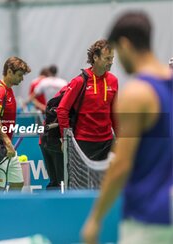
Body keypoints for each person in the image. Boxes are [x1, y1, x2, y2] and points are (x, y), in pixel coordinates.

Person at [82, 12, 173, 244]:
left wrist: (95, 217)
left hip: (147, 219)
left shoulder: (136, 93)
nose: (116, 61)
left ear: (125, 44)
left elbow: (122, 164)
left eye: (116, 52)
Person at [56, 39, 118, 188]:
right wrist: (65, 140)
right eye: (107, 59)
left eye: (112, 59)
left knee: (106, 186)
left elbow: (114, 113)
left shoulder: (113, 81)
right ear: (95, 58)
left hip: (107, 142)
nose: (111, 62)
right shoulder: (79, 81)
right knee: (82, 187)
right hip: (83, 143)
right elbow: (62, 110)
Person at [0, 56, 31, 191]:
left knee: (17, 183)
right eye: (20, 75)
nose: (22, 79)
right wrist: (8, 142)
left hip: (6, 148)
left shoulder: (8, 90)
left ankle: (10, 211)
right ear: (9, 72)